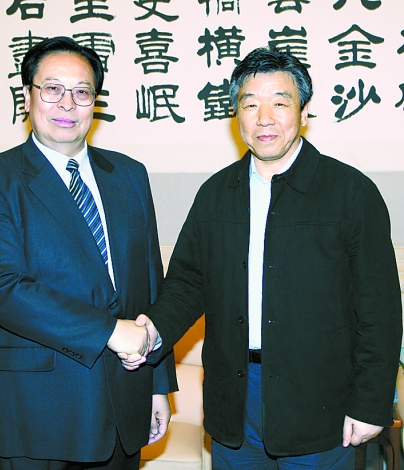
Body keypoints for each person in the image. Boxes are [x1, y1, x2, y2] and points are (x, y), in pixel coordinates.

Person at [119, 47, 403, 469]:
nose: (264, 118)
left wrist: (370, 403)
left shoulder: (351, 193)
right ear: (237, 115)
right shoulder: (216, 194)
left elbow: (380, 310)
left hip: (320, 399)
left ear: (303, 112)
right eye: (250, 104)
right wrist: (153, 331)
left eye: (280, 102)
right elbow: (187, 284)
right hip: (235, 396)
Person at [0, 36, 177, 470]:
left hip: (125, 403)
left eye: (82, 92)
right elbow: (2, 288)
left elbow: (152, 285)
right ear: (27, 96)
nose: (67, 104)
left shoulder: (129, 174)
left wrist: (158, 385)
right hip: (40, 411)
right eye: (52, 89)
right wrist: (110, 332)